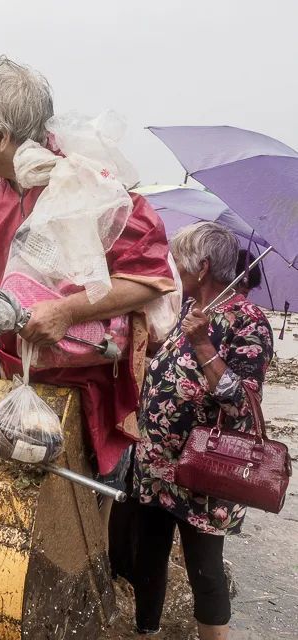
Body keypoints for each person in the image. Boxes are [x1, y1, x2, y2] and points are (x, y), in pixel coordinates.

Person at [0, 57, 176, 475]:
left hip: (86, 382)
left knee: (85, 498)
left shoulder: (85, 180)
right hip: (15, 375)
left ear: (1, 137)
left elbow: (152, 278)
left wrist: (67, 310)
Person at [132, 222, 273, 638]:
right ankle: (146, 632)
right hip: (158, 466)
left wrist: (203, 346)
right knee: (149, 560)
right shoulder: (191, 313)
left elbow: (243, 404)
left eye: (179, 259)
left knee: (206, 572)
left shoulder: (247, 322)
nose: (174, 267)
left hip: (206, 473)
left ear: (203, 266)